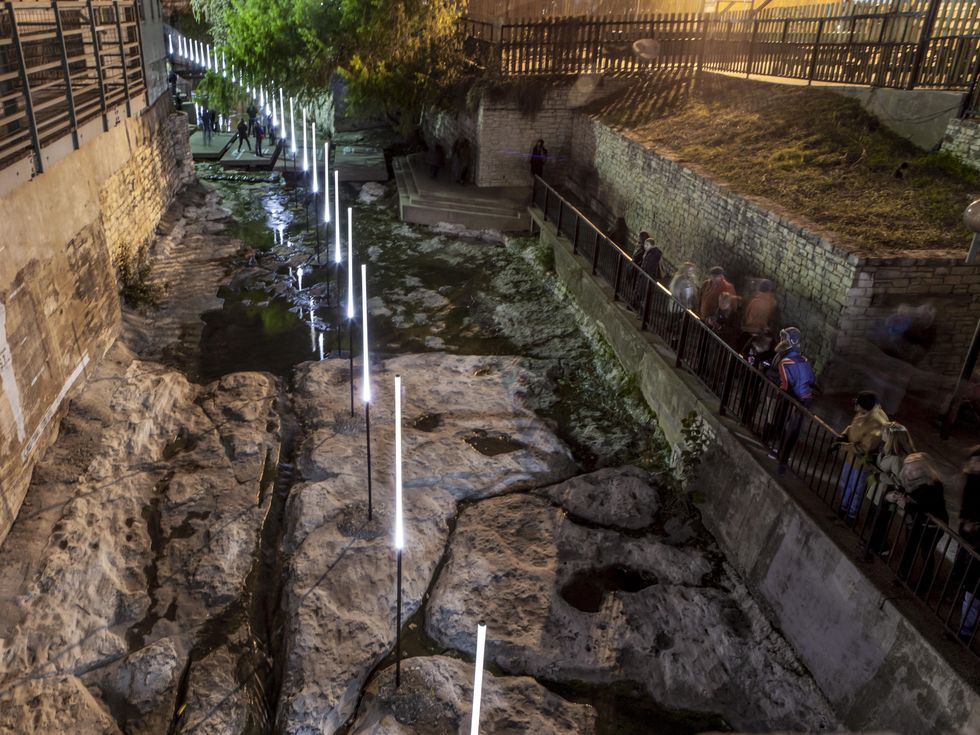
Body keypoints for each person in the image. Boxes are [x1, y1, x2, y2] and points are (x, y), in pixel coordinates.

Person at [896, 452, 949, 596]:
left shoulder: (934, 485)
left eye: (915, 470)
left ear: (925, 470)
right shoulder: (907, 480)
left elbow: (925, 507)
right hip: (915, 522)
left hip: (932, 526)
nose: (909, 472)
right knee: (910, 547)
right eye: (908, 468)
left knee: (927, 552)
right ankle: (902, 575)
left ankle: (925, 585)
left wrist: (906, 505)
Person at [835, 391, 889, 524]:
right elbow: (853, 427)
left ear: (864, 407)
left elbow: (865, 448)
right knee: (845, 483)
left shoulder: (876, 422)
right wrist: (844, 435)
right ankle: (842, 509)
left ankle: (851, 515)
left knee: (856, 489)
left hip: (861, 462)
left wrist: (844, 445)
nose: (855, 407)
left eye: (857, 404)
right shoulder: (865, 413)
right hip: (851, 458)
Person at [767, 326, 815, 472]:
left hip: (793, 398)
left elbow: (785, 385)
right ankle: (783, 455)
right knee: (793, 430)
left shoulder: (785, 362)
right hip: (806, 399)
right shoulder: (804, 359)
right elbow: (811, 379)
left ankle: (781, 459)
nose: (781, 340)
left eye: (784, 338)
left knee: (785, 427)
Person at [868, 423, 915, 555]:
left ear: (892, 438)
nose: (882, 434)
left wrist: (881, 476)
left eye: (885, 432)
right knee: (875, 521)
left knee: (880, 523)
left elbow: (900, 482)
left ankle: (881, 548)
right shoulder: (886, 450)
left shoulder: (897, 459)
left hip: (887, 496)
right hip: (879, 491)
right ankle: (873, 545)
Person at [956, 446, 980, 641]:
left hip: (975, 538)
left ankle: (966, 632)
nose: (973, 464)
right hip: (970, 533)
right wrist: (965, 522)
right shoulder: (971, 479)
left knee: (973, 595)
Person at [740, 280, 777, 350]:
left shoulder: (754, 301)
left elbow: (747, 315)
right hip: (762, 332)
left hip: (750, 330)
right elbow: (770, 318)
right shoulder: (772, 302)